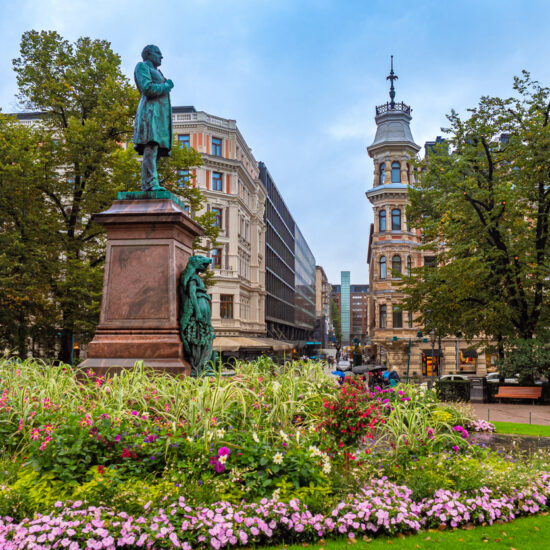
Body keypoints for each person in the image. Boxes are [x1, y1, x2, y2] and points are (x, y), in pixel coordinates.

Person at [133, 45, 174, 191]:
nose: (161, 57)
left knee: (154, 151)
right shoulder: (142, 67)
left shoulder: (157, 71)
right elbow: (147, 88)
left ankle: (150, 183)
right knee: (150, 148)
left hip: (158, 117)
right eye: (158, 53)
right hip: (149, 114)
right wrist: (166, 86)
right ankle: (150, 184)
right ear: (149, 54)